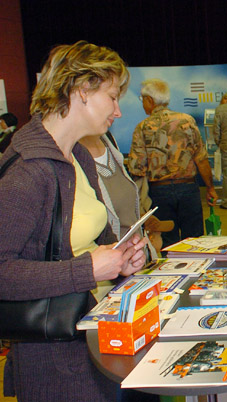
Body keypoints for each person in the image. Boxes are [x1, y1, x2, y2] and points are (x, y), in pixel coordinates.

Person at [0, 40, 148, 402]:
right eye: (112, 97)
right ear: (82, 90)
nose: (117, 111)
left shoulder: (77, 154)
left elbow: (96, 237)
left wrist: (122, 257)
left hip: (95, 338)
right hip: (55, 361)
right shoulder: (27, 170)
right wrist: (88, 269)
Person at [128, 78, 217, 247]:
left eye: (142, 99)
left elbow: (137, 168)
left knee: (167, 242)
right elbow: (201, 159)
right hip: (188, 189)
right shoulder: (187, 121)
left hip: (159, 192)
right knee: (195, 241)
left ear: (150, 100)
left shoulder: (142, 127)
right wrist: (210, 188)